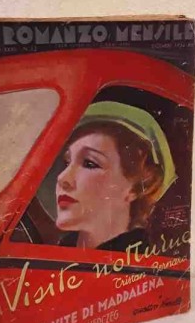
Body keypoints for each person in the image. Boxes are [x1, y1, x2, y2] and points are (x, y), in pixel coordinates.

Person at [55, 101, 176, 251]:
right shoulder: (61, 250)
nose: (62, 178)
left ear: (137, 186)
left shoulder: (140, 258)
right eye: (67, 162)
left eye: (90, 163)